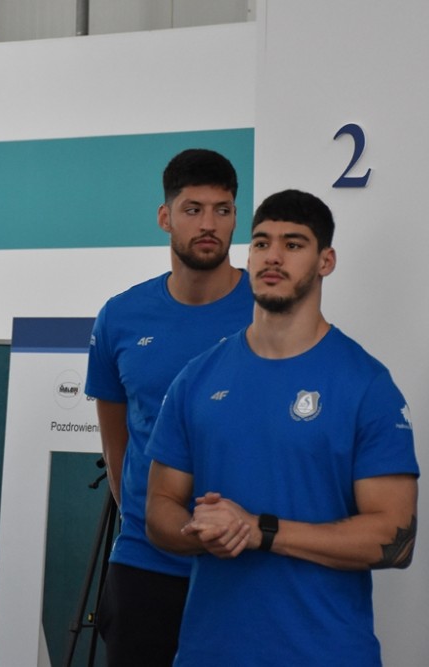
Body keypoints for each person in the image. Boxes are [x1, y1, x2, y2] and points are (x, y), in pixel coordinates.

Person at [145, 189, 419, 666]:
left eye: (293, 244)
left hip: (326, 654)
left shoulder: (366, 384)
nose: (273, 256)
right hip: (210, 652)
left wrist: (261, 531)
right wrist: (205, 532)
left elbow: (396, 539)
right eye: (261, 243)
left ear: (326, 261)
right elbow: (159, 508)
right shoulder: (197, 377)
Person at [84, 148, 253, 665]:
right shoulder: (120, 316)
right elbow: (117, 441)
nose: (209, 225)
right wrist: (147, 515)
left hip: (246, 561)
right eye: (192, 209)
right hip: (145, 561)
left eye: (222, 210)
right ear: (165, 217)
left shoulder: (269, 309)